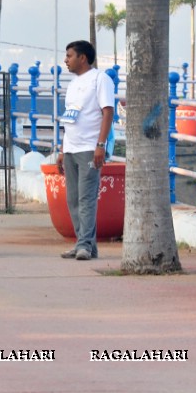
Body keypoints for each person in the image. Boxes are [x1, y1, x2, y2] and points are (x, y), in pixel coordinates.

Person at [56, 40, 115, 260]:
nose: (65, 60)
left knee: (86, 198)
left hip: (90, 148)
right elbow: (69, 118)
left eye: (69, 55)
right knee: (72, 199)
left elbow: (107, 112)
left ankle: (83, 245)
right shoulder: (73, 84)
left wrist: (101, 145)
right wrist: (62, 150)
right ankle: (85, 244)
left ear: (82, 57)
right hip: (71, 148)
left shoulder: (101, 79)